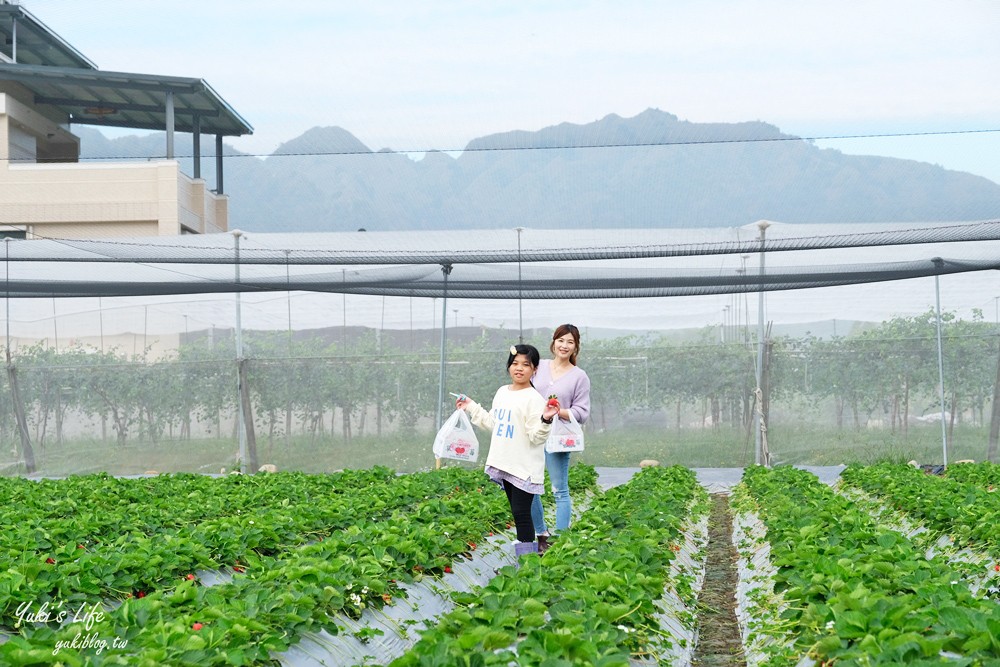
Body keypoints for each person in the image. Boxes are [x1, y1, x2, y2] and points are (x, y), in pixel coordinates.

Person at [456, 343, 559, 564]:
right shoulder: (503, 392)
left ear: (535, 369)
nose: (519, 368)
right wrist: (471, 406)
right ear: (509, 367)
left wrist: (546, 419)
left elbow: (537, 437)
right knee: (518, 513)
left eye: (525, 365)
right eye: (514, 364)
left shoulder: (534, 399)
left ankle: (528, 566)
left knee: (522, 515)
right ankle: (528, 564)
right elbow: (494, 423)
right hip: (505, 463)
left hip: (524, 467)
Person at [530, 323, 591, 553]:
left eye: (570, 342)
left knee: (559, 489)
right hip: (534, 434)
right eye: (561, 340)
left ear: (576, 348)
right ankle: (541, 534)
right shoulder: (540, 367)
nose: (564, 346)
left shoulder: (579, 377)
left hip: (558, 438)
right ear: (553, 343)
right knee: (530, 486)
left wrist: (560, 411)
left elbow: (582, 412)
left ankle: (562, 540)